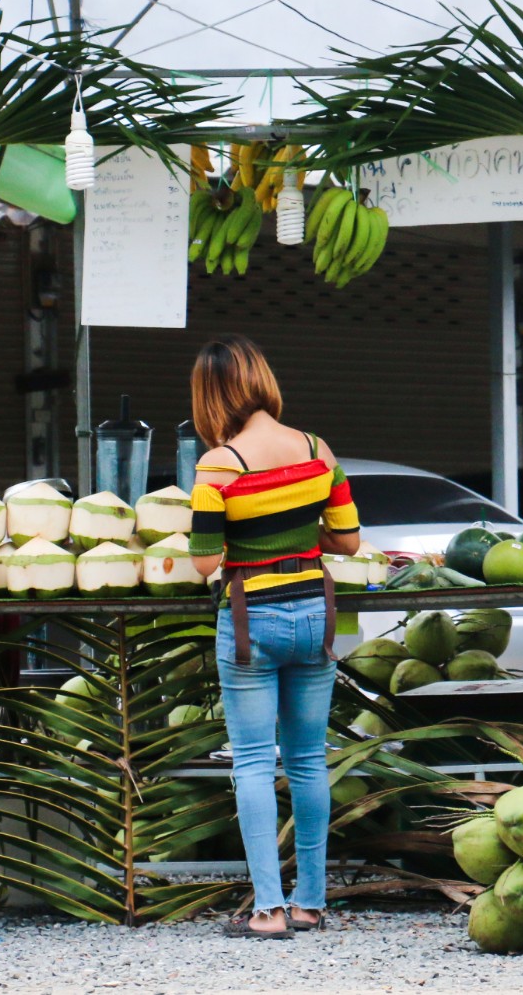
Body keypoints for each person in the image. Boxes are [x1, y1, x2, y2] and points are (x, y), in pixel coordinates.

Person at [186, 335, 361, 939]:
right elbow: (348, 541)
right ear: (261, 379)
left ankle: (268, 910)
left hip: (250, 621)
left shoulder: (219, 464)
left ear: (211, 395)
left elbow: (205, 562)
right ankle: (311, 902)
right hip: (315, 613)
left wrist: (227, 530)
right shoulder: (317, 449)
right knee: (310, 761)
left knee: (256, 762)